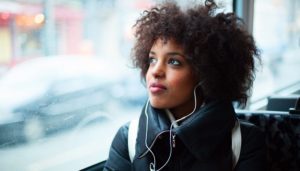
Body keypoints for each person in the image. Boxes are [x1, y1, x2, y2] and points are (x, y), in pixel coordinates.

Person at [104, 0, 266, 170]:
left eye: (174, 62)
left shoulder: (244, 142)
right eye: (152, 59)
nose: (155, 71)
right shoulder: (128, 138)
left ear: (206, 73)